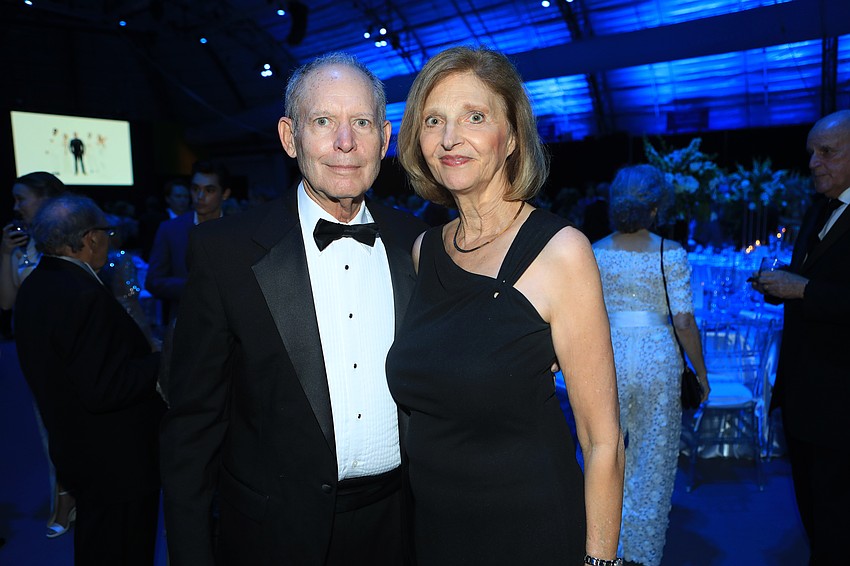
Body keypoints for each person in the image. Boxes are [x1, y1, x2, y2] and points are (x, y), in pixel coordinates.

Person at [159, 52, 425, 566]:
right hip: (273, 534)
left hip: (402, 528)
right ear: (289, 136)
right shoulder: (226, 254)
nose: (345, 143)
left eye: (362, 123)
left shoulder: (420, 245)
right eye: (323, 121)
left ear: (385, 138)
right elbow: (192, 430)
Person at [386, 46, 625, 565]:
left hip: (529, 531)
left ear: (512, 136)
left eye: (475, 117)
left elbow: (602, 438)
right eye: (433, 120)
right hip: (433, 532)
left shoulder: (560, 252)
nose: (450, 138)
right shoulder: (426, 251)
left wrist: (600, 562)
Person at [14, 194, 165, 565]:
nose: (110, 240)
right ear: (90, 238)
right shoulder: (83, 295)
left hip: (77, 451)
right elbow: (104, 388)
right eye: (106, 232)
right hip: (115, 462)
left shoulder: (36, 285)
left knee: (97, 545)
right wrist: (162, 362)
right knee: (122, 549)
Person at [592, 165, 709, 566]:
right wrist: (702, 373)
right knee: (653, 460)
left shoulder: (595, 251)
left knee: (605, 452)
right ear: (657, 208)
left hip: (609, 357)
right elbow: (684, 321)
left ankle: (607, 546)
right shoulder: (669, 252)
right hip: (658, 359)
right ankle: (641, 553)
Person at [751, 109, 850, 564]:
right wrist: (781, 287)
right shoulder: (817, 208)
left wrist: (803, 288)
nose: (813, 163)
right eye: (811, 152)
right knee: (813, 509)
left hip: (840, 400)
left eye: (826, 152)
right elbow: (808, 282)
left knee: (836, 518)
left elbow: (820, 289)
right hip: (805, 395)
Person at [0, 172, 76, 538]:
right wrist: (5, 254)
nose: (16, 207)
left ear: (45, 201)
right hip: (32, 350)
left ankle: (69, 496)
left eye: (21, 199)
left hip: (67, 347)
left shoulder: (68, 241)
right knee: (49, 427)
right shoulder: (22, 246)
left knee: (68, 425)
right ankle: (64, 494)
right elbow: (5, 302)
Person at [145, 160, 231, 323]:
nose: (200, 197)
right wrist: (196, 286)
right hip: (185, 324)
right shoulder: (170, 230)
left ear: (225, 194)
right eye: (195, 189)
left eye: (209, 190)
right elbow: (153, 281)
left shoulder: (237, 229)